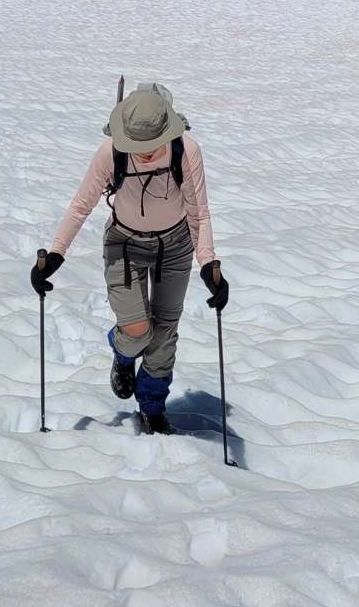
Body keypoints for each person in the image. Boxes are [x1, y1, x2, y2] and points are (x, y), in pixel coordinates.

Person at [31, 81, 229, 434]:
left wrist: (209, 266)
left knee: (164, 333)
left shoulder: (187, 151)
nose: (145, 153)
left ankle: (153, 409)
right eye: (137, 146)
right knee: (138, 331)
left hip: (175, 246)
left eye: (152, 145)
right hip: (124, 245)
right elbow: (81, 205)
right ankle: (123, 352)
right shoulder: (111, 153)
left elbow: (199, 213)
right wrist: (56, 254)